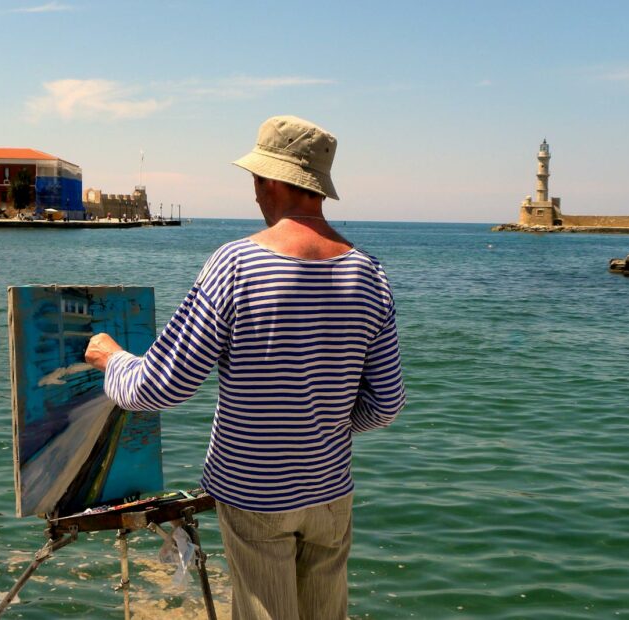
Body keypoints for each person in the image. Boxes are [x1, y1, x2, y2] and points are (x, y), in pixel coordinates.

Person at [85, 115, 405, 620]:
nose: (254, 193)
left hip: (253, 491)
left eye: (256, 179)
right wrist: (323, 427)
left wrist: (112, 360)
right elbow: (386, 404)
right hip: (329, 491)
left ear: (273, 180)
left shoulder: (238, 264)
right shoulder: (369, 272)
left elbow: (162, 386)